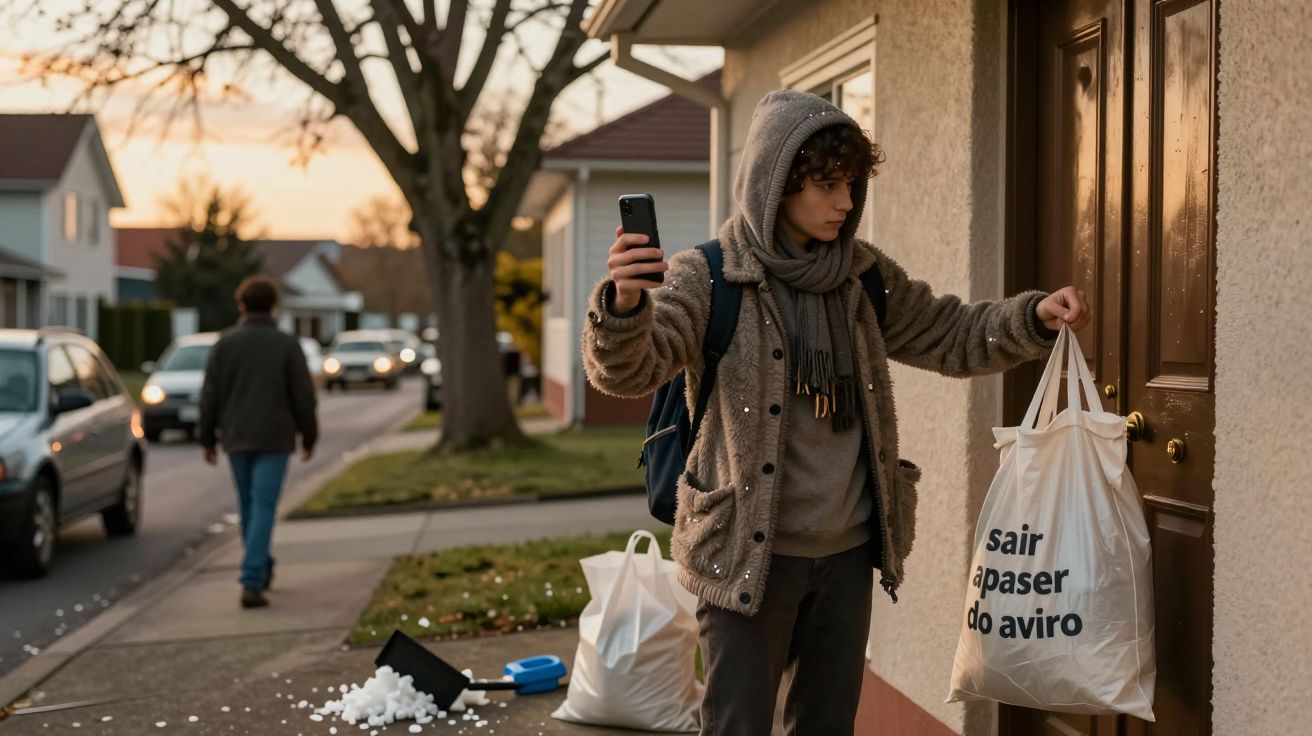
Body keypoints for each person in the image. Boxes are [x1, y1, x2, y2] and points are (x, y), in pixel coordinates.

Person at [582, 89, 1090, 735]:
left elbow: (951, 333)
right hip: (744, 557)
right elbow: (627, 370)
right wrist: (625, 306)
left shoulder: (864, 276)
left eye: (850, 184)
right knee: (737, 726)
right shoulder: (708, 277)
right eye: (826, 186)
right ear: (776, 185)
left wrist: (1031, 318)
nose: (846, 203)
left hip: (848, 554)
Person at [199, 275, 319, 609]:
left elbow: (211, 395)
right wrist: (309, 435)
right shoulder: (286, 345)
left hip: (236, 436)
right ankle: (253, 578)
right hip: (275, 437)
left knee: (250, 507)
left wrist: (207, 437)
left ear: (242, 305)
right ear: (274, 306)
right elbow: (303, 397)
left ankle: (259, 569)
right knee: (263, 504)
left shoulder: (225, 344)